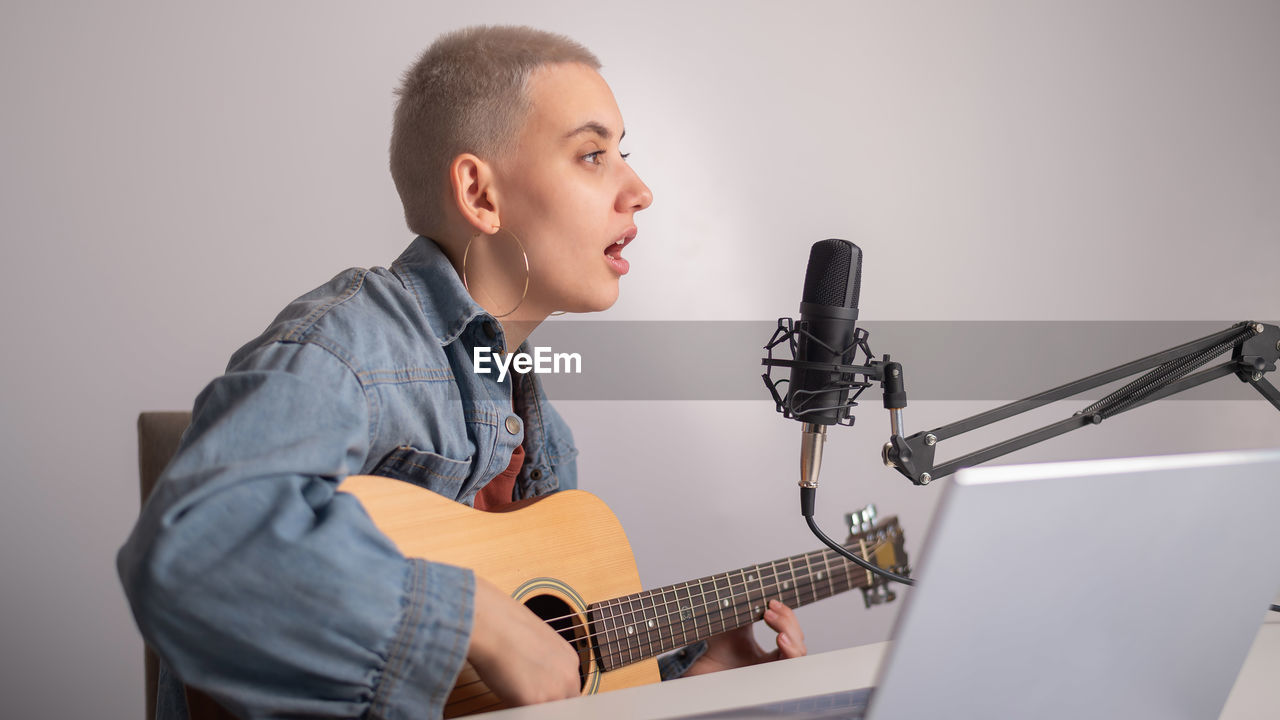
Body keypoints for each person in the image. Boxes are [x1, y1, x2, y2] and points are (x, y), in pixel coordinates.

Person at [118, 25, 806, 720]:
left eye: (623, 154)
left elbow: (532, 682)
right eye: (593, 155)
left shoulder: (545, 433)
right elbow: (195, 544)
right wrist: (472, 612)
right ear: (481, 195)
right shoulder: (352, 346)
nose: (640, 191)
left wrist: (685, 685)